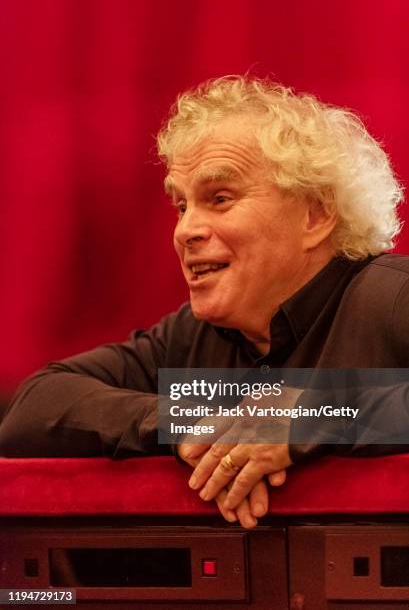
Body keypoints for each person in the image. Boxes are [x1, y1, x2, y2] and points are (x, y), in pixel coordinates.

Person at [0, 76, 408, 530]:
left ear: (315, 214)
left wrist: (314, 417)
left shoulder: (393, 296)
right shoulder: (190, 337)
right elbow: (34, 407)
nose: (185, 231)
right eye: (181, 206)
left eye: (219, 198)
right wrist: (185, 421)